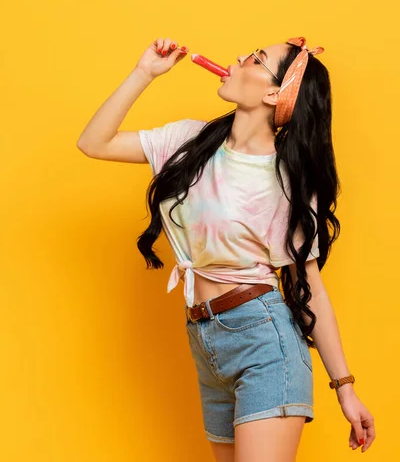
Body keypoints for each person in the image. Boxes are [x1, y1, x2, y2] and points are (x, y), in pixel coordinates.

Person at [77, 37, 375, 462]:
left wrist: (345, 389)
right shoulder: (189, 142)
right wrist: (144, 72)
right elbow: (93, 143)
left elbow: (310, 288)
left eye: (255, 59)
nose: (238, 58)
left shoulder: (286, 181)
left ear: (275, 93)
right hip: (204, 339)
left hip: (263, 342)